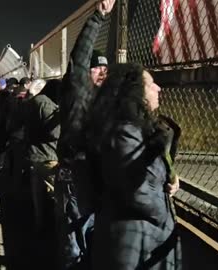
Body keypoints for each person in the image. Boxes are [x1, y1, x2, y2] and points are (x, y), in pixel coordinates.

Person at [86, 64, 182, 270]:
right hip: (133, 243)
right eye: (150, 84)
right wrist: (163, 215)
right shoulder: (124, 131)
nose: (158, 88)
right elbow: (134, 191)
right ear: (133, 91)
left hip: (141, 237)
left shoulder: (136, 127)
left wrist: (170, 180)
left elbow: (147, 173)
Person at [55, 0, 114, 268]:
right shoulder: (76, 90)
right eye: (97, 68)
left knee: (93, 236)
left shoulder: (99, 98)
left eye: (105, 68)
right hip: (74, 177)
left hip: (94, 176)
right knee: (74, 239)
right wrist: (98, 17)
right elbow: (80, 57)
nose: (103, 72)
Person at [24, 79, 62, 229]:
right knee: (54, 194)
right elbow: (54, 133)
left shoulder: (34, 101)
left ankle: (40, 224)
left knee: (38, 196)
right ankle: (51, 227)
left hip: (35, 154)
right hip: (47, 155)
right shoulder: (46, 104)